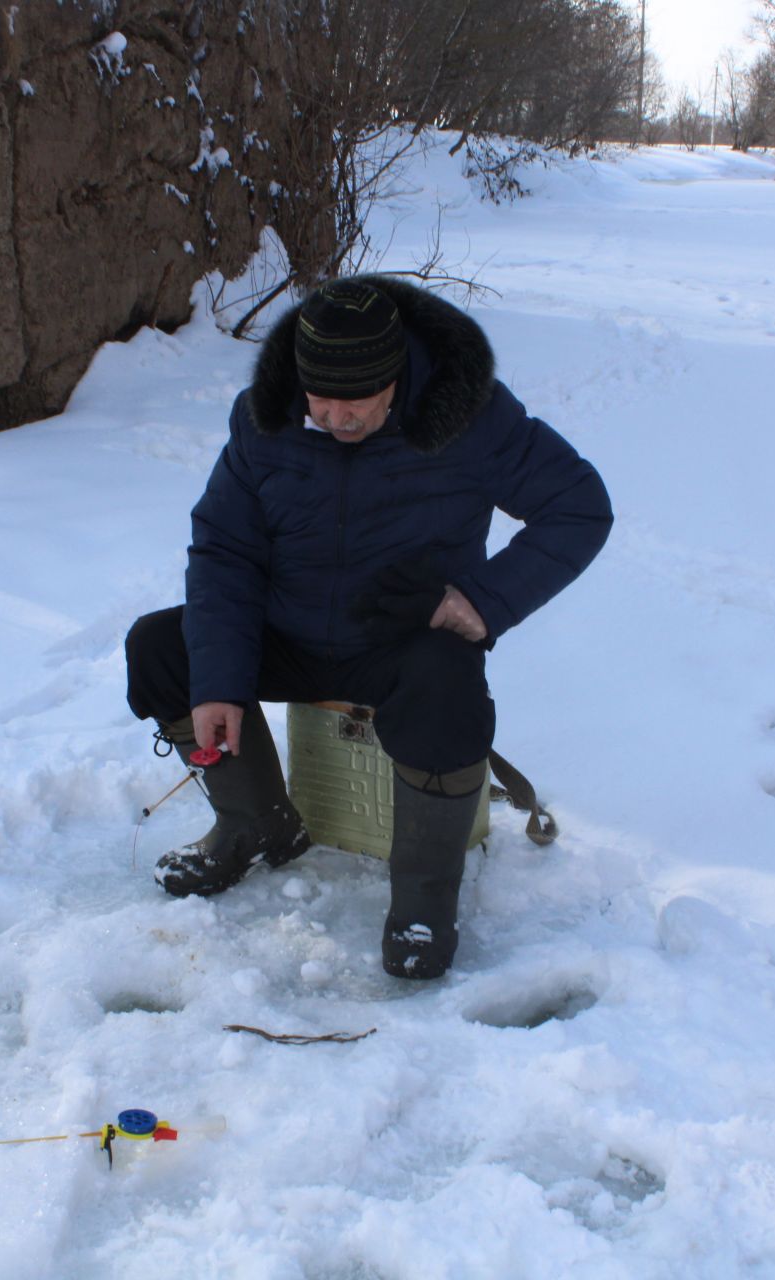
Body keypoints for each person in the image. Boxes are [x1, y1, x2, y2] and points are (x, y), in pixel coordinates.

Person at [124, 276, 611, 979]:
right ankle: (254, 825)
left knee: (450, 684)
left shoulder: (470, 417)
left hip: (399, 644)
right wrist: (218, 683)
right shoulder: (266, 421)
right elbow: (226, 551)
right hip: (288, 634)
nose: (335, 418)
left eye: (355, 402)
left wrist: (482, 600)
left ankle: (423, 899)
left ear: (398, 377)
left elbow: (580, 506)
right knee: (163, 650)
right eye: (319, 400)